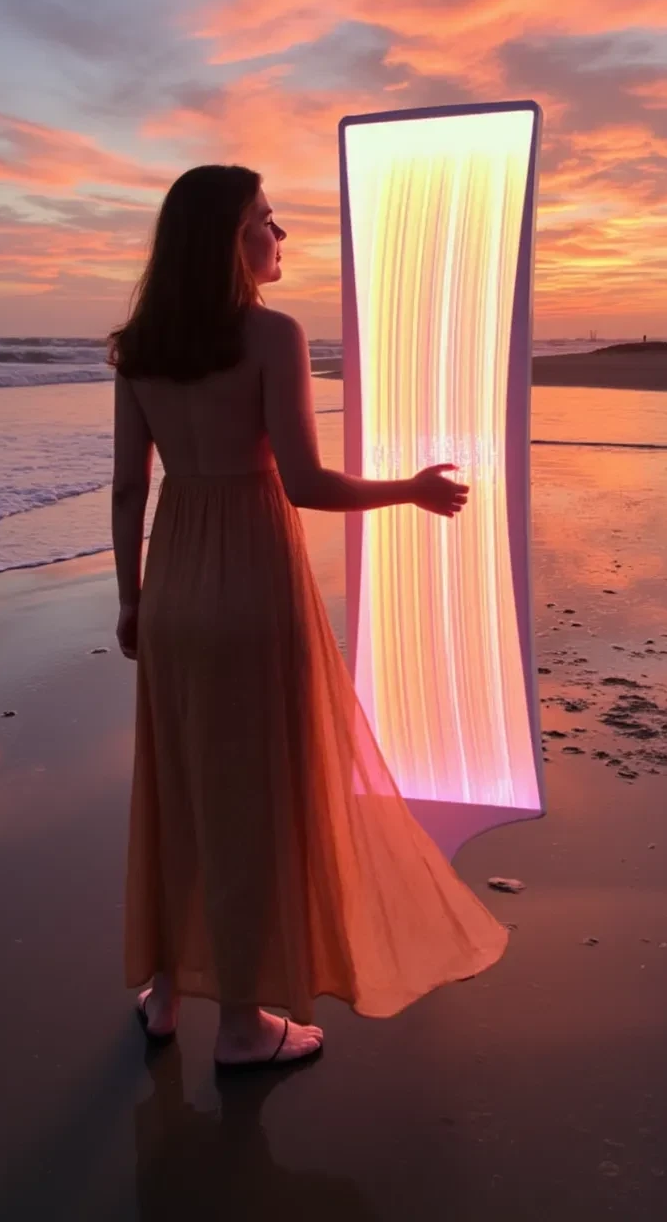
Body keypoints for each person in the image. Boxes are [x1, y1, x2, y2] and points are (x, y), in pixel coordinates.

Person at [109, 164, 508, 1070]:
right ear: (227, 239)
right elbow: (306, 483)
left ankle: (166, 995)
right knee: (250, 803)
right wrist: (409, 489)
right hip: (252, 589)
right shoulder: (272, 335)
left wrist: (130, 600)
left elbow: (132, 484)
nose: (279, 236)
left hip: (172, 589)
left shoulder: (140, 347)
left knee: (177, 791)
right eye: (265, 220)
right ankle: (244, 1026)